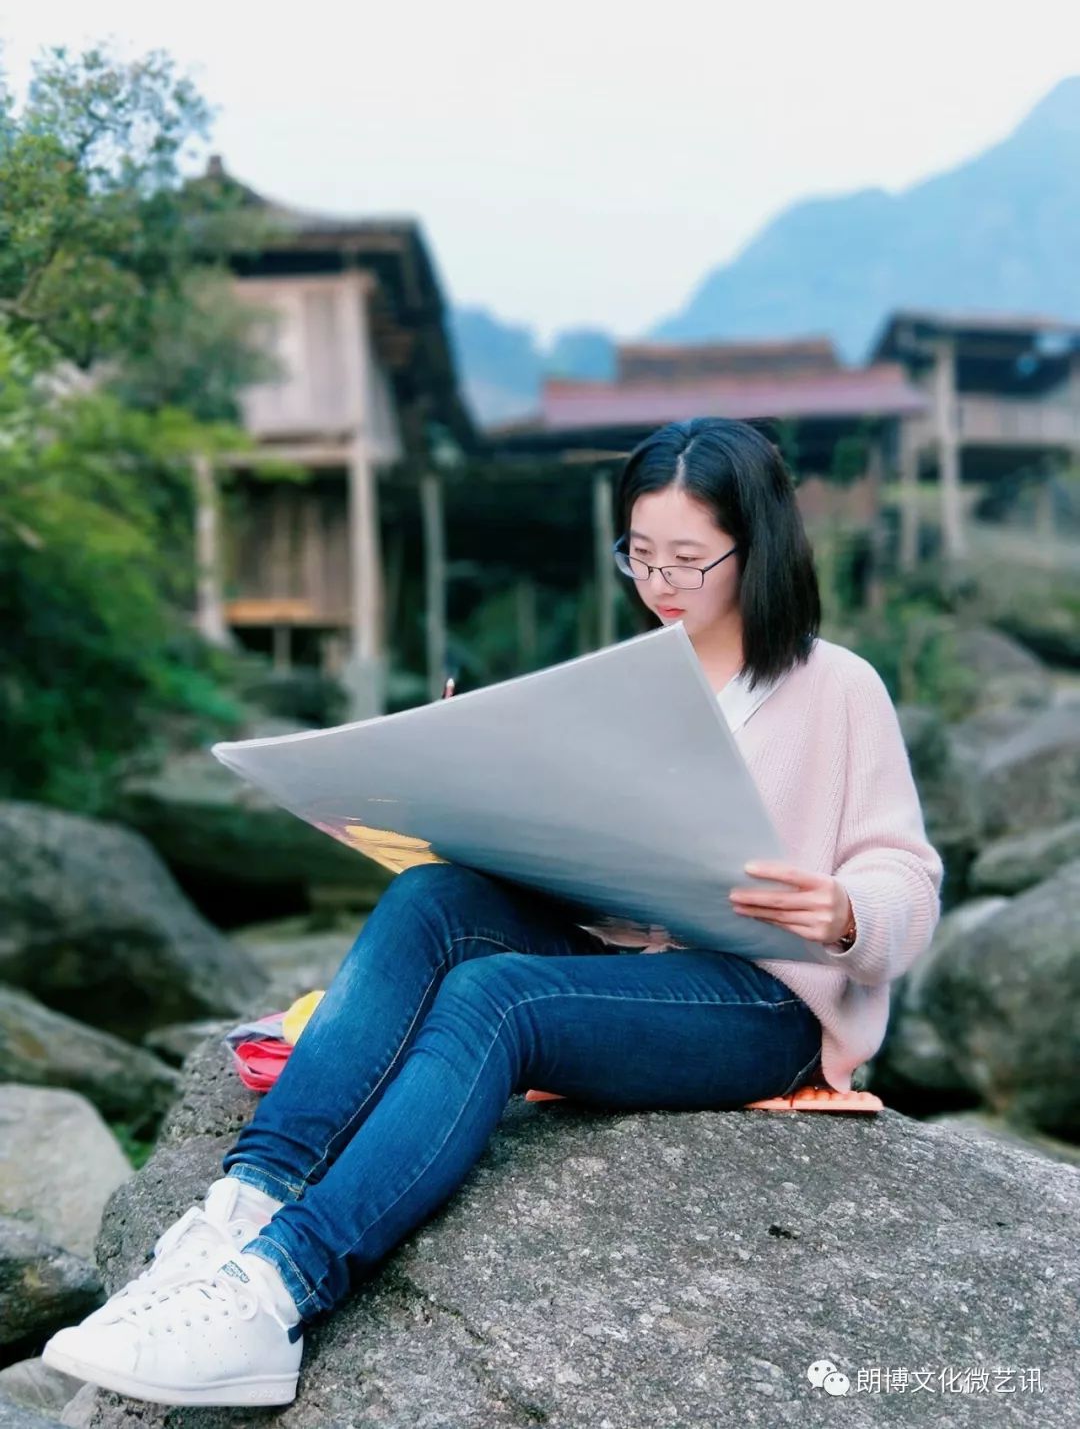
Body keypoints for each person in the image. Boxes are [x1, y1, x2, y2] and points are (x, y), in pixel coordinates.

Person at [44, 415, 944, 1408]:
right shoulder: (631, 679)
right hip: (618, 953)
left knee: (497, 999)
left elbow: (907, 877)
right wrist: (469, 782)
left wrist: (848, 910)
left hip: (759, 999)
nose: (660, 584)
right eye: (639, 555)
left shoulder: (836, 687)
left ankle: (274, 1291)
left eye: (690, 559)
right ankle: (238, 1208)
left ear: (758, 547)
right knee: (433, 895)